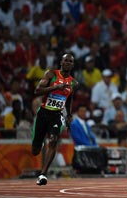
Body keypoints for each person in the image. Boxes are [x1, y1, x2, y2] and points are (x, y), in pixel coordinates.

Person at [31, 53, 79, 186]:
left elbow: (69, 98)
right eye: (66, 60)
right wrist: (55, 87)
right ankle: (38, 143)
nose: (68, 63)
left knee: (53, 141)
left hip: (57, 115)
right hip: (43, 114)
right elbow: (37, 90)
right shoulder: (51, 74)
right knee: (35, 151)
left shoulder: (74, 83)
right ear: (61, 62)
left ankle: (43, 174)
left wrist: (69, 115)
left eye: (70, 61)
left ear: (73, 65)